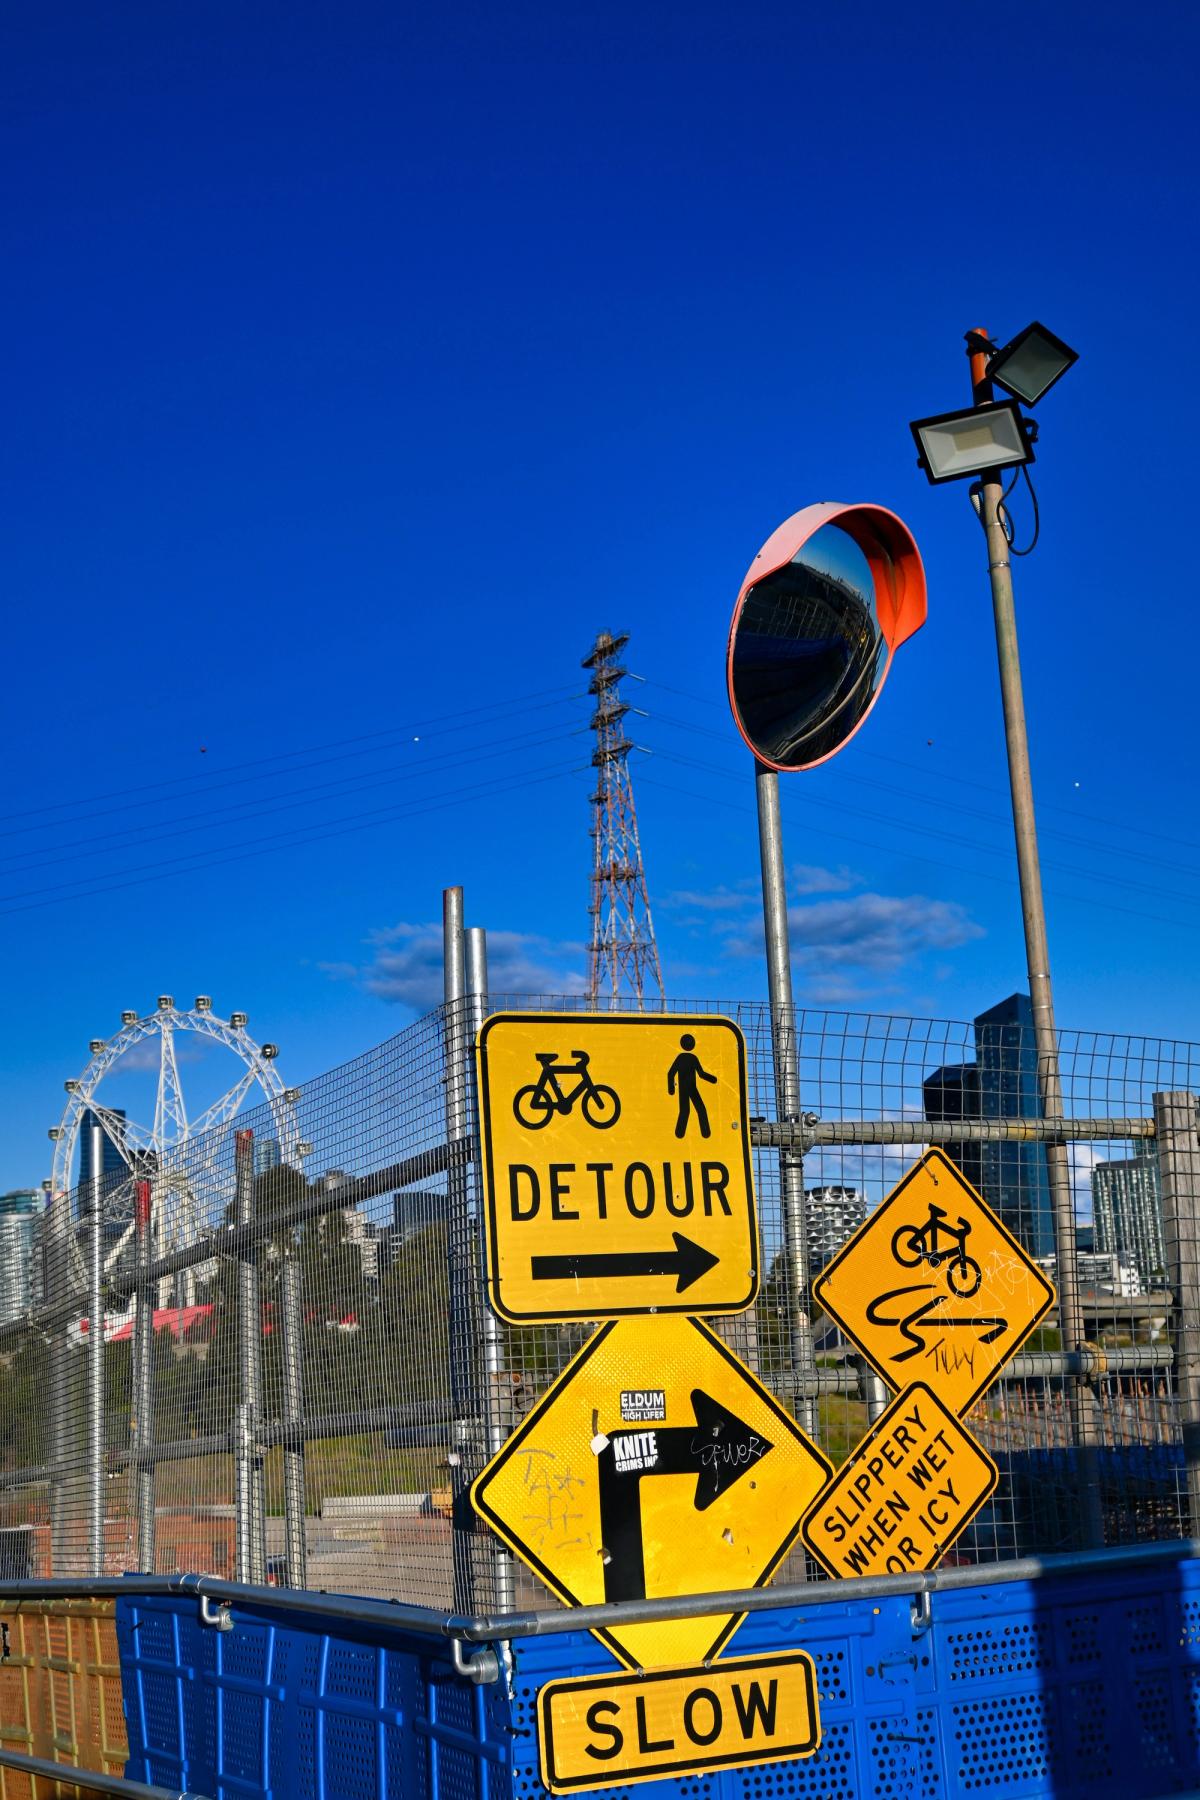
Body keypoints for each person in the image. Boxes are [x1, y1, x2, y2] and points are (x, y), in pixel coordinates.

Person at [667, 1033, 717, 1139]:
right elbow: (701, 1074)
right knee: (699, 1109)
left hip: (687, 1088)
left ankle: (681, 1134)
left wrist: (671, 1089)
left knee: (687, 1110)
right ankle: (703, 1133)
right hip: (690, 1088)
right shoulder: (691, 1057)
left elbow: (671, 1073)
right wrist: (713, 1079)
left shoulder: (682, 1057)